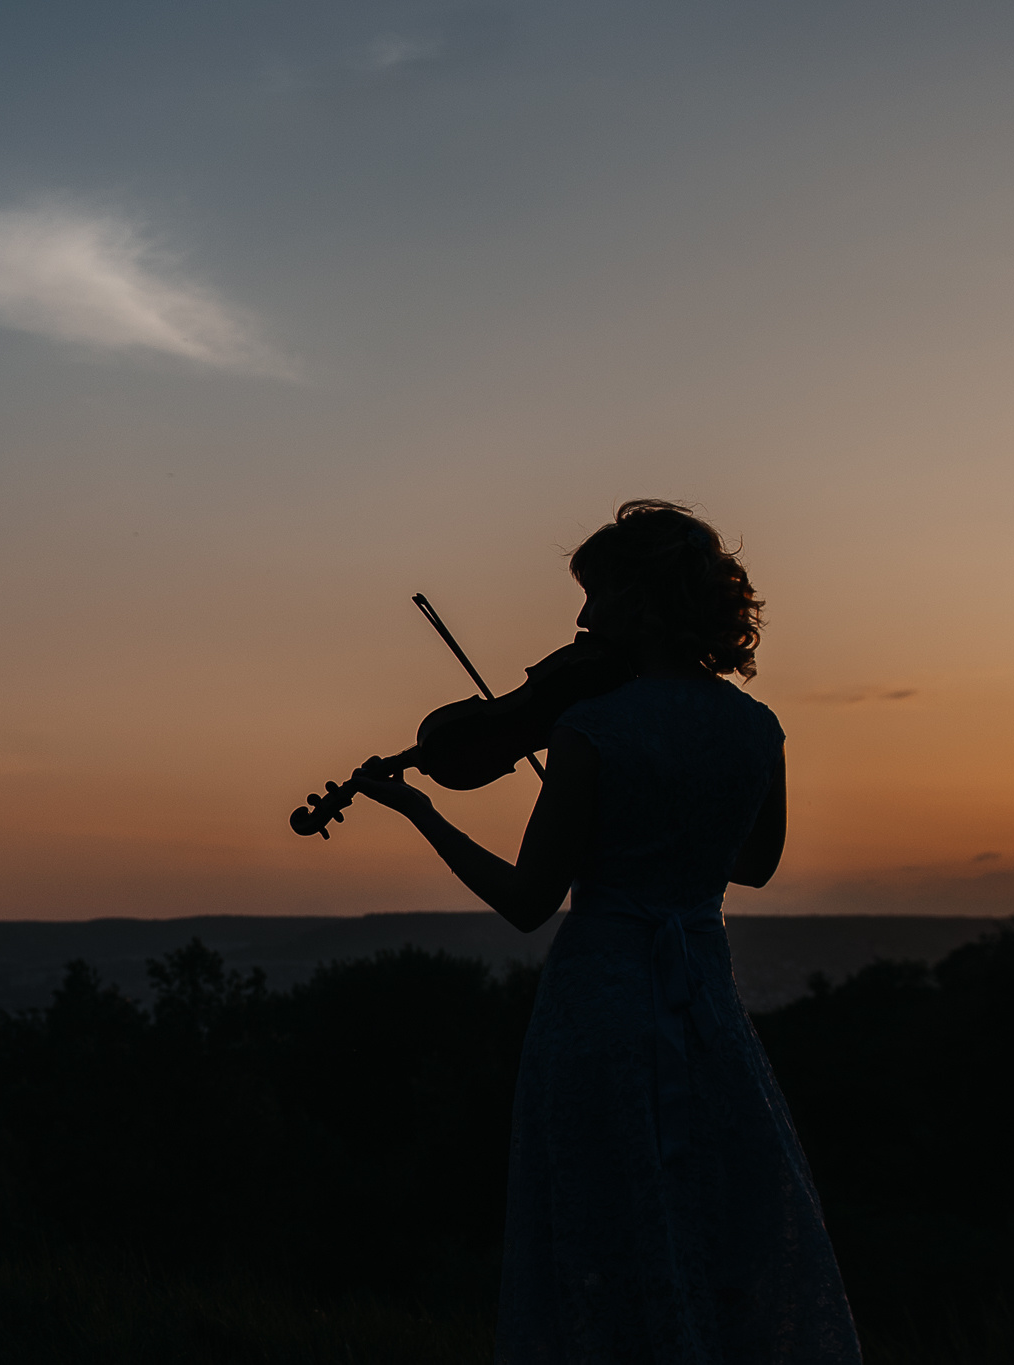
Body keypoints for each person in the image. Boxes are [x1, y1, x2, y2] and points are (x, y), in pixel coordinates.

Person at [352, 499, 861, 1365]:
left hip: (601, 1007)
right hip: (706, 1007)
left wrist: (421, 812)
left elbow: (526, 900)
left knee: (601, 1229)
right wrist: (665, 825)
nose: (583, 620)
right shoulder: (755, 727)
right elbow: (757, 863)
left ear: (643, 602)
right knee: (712, 1223)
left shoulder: (590, 727)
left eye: (597, 597)